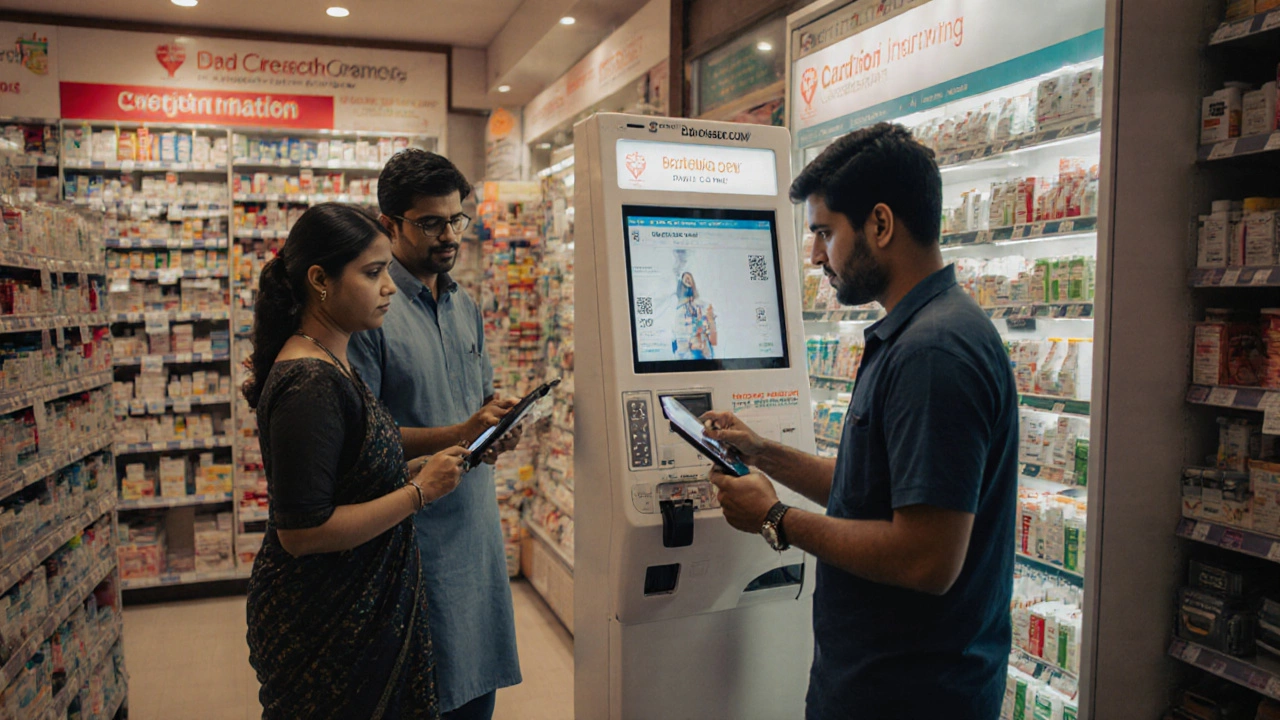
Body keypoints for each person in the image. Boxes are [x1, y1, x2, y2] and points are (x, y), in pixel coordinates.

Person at [704, 123, 1018, 719]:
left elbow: (926, 558)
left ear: (880, 224)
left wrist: (775, 517)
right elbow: (874, 493)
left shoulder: (934, 352)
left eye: (825, 232)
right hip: (885, 683)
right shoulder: (922, 332)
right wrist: (762, 451)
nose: (816, 255)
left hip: (909, 697)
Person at [242, 203, 471, 720]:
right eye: (372, 273)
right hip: (331, 628)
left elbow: (348, 474)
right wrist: (419, 493)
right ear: (320, 280)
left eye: (387, 269)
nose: (389, 287)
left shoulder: (332, 358)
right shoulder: (309, 382)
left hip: (361, 614)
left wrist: (409, 470)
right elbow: (302, 533)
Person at [348, 150, 523, 720]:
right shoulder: (372, 311)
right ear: (389, 224)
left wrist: (496, 425)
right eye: (430, 223)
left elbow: (478, 402)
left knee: (476, 698)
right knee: (425, 696)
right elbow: (362, 441)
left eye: (456, 220)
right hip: (414, 541)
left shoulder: (463, 304)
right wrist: (461, 431)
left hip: (476, 535)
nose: (449, 235)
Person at [672, 271, 717, 359]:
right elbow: (680, 335)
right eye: (686, 280)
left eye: (689, 279)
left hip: (703, 350)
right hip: (690, 353)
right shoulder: (681, 309)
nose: (688, 281)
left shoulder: (700, 305)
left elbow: (709, 330)